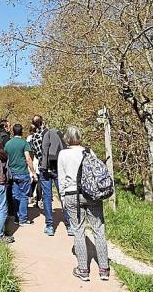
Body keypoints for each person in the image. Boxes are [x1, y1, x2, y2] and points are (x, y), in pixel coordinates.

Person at [58, 125, 110, 282]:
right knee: (98, 230)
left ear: (66, 138)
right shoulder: (89, 151)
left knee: (78, 231)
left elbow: (61, 179)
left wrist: (62, 199)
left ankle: (83, 270)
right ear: (80, 137)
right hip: (92, 194)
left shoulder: (63, 154)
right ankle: (104, 269)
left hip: (72, 195)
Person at [29, 115, 72, 236]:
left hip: (44, 170)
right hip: (58, 168)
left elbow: (37, 155)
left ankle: (49, 225)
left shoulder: (34, 138)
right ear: (44, 122)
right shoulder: (53, 133)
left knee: (47, 197)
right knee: (62, 194)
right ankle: (69, 225)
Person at [4, 124, 38, 225]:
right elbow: (28, 158)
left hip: (12, 173)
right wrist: (33, 172)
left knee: (16, 196)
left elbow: (6, 157)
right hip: (23, 173)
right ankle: (23, 219)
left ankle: (16, 217)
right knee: (24, 196)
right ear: (22, 131)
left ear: (13, 131)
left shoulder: (8, 144)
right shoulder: (24, 143)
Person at [0, 119, 13, 218]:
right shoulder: (6, 137)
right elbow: (7, 151)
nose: (10, 128)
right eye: (9, 126)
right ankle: (9, 211)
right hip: (5, 165)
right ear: (5, 127)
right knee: (8, 186)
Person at [27, 124, 42, 207]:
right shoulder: (38, 137)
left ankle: (29, 196)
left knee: (31, 179)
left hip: (30, 160)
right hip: (37, 159)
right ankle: (38, 200)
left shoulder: (28, 138)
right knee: (39, 180)